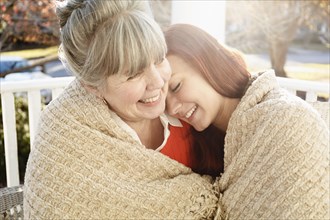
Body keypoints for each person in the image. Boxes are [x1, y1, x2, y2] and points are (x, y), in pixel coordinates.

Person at [23, 1, 223, 219]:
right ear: (93, 86)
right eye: (133, 74)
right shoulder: (69, 151)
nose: (157, 82)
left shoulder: (189, 113)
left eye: (159, 59)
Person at [164, 23, 329, 219]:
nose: (172, 108)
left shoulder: (283, 119)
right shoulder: (203, 143)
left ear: (206, 63)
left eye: (175, 87)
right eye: (164, 100)